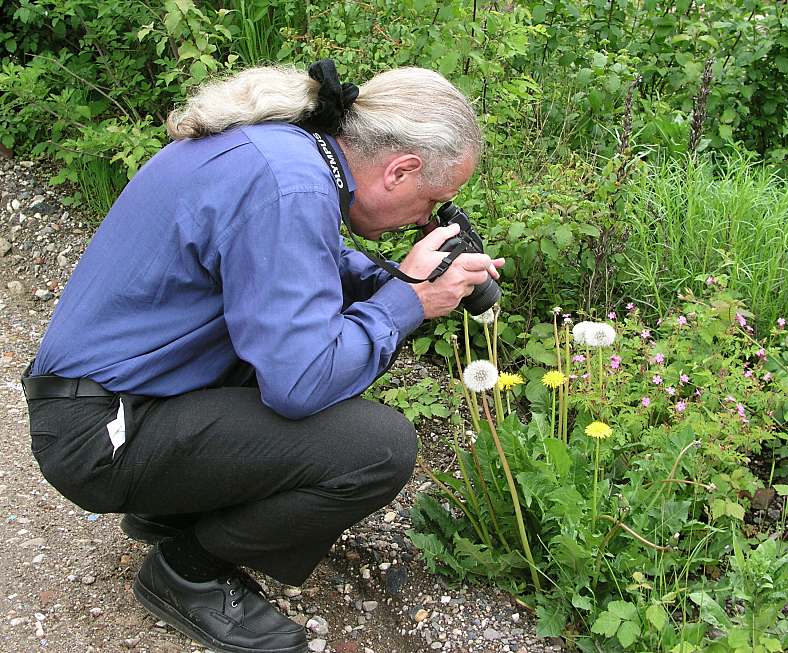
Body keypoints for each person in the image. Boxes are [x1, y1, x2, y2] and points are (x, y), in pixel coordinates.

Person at [22, 60, 504, 653]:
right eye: (433, 202)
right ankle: (187, 571)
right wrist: (406, 303)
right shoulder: (291, 185)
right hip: (101, 439)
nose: (428, 220)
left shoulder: (283, 152)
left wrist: (400, 279)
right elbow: (302, 382)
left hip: (115, 400)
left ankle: (172, 509)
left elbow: (299, 274)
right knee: (375, 448)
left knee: (297, 345)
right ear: (400, 170)